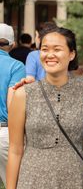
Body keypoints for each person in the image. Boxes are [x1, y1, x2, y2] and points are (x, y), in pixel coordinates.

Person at [6, 27, 83, 189]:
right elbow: (15, 149)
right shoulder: (23, 94)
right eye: (44, 49)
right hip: (32, 179)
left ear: (71, 54)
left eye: (57, 49)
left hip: (74, 179)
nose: (50, 54)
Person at [0, 23, 25, 188]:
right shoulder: (17, 67)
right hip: (5, 134)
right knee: (16, 184)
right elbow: (12, 102)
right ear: (12, 45)